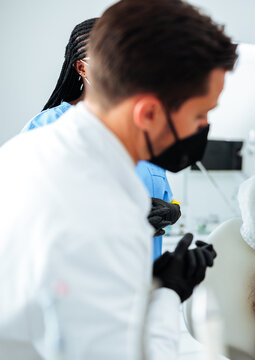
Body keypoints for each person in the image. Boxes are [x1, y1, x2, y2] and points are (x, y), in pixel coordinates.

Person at [0, 0, 238, 358]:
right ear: (148, 113)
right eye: (201, 113)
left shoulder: (28, 152)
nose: (203, 128)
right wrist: (169, 291)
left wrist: (156, 275)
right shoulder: (105, 215)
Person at [21, 17, 177, 260]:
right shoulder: (46, 128)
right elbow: (23, 211)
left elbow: (158, 195)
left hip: (142, 283)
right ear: (82, 68)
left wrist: (168, 210)